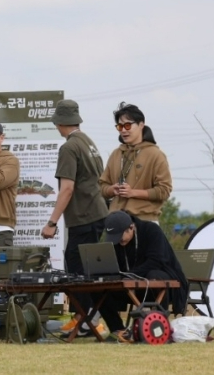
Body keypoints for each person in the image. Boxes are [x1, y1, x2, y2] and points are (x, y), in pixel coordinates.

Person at [40, 99, 109, 336]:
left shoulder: (68, 147)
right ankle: (88, 317)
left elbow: (67, 188)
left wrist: (51, 223)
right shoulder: (88, 142)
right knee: (86, 271)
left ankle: (86, 319)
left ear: (60, 122)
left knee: (74, 269)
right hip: (98, 211)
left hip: (83, 215)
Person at [98, 210, 189, 342]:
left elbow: (156, 260)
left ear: (131, 227)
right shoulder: (118, 242)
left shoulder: (151, 230)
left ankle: (160, 328)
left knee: (154, 275)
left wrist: (129, 275)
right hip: (131, 287)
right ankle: (118, 331)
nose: (118, 240)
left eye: (120, 235)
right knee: (99, 289)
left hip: (160, 283)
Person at [99, 102, 172, 222]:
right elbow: (102, 186)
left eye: (127, 125)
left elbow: (164, 191)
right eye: (119, 126)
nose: (123, 130)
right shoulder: (116, 154)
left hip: (145, 221)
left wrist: (132, 193)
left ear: (141, 125)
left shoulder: (156, 155)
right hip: (116, 221)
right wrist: (112, 190)